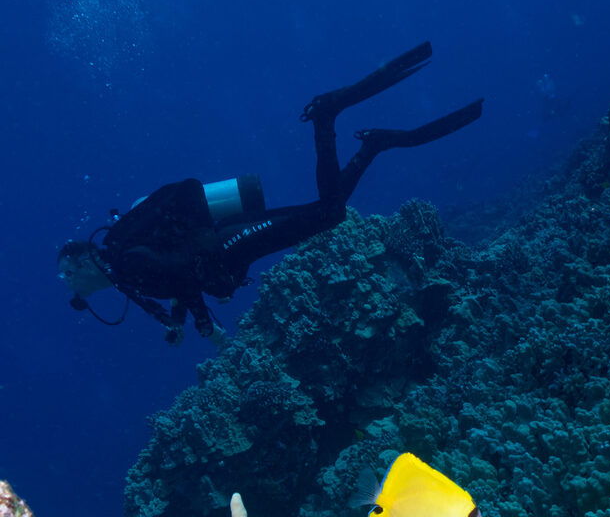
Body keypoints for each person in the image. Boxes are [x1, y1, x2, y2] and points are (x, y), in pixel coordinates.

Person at [58, 41, 482, 344]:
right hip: (228, 248)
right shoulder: (125, 271)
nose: (71, 284)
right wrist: (182, 318)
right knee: (327, 212)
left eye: (67, 273)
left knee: (328, 214)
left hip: (227, 245)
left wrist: (206, 327)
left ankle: (327, 116)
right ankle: (370, 144)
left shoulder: (125, 262)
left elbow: (184, 271)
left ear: (81, 260)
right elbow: (174, 275)